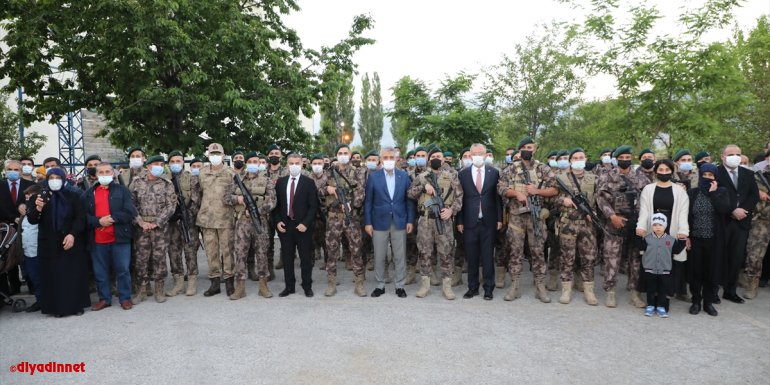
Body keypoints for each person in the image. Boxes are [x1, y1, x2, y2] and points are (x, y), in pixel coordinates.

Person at [497, 137, 558, 303]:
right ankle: (515, 286)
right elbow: (501, 188)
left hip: (536, 217)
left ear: (535, 149)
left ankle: (540, 286)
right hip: (517, 217)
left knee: (538, 252)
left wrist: (537, 191)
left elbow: (554, 189)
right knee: (515, 253)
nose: (527, 149)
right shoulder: (510, 169)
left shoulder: (542, 168)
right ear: (519, 150)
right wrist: (516, 193)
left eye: (529, 147)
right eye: (523, 147)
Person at [27, 168, 90, 317]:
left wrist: (72, 234)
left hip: (70, 241)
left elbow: (80, 218)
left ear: (63, 179)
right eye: (51, 177)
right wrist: (38, 207)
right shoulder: (38, 197)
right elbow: (32, 219)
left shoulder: (73, 196)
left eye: (57, 177)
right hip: (48, 243)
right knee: (53, 276)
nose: (54, 180)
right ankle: (55, 308)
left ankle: (76, 306)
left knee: (72, 275)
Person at [596, 145, 648, 308]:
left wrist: (642, 220)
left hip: (635, 223)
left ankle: (634, 292)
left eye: (628, 157)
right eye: (622, 158)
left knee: (635, 259)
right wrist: (612, 216)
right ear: (616, 159)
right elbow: (601, 199)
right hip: (615, 222)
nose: (625, 160)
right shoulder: (607, 176)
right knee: (612, 257)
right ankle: (610, 291)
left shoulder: (641, 177)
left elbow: (647, 198)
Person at [407, 147, 461, 300]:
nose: (437, 158)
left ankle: (447, 286)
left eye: (439, 156)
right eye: (434, 156)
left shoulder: (452, 176)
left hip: (444, 220)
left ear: (444, 159)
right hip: (425, 220)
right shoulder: (422, 176)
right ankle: (425, 285)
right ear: (429, 160)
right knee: (425, 252)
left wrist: (451, 211)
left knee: (446, 252)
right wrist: (423, 187)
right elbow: (410, 193)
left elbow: (460, 198)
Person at [84, 163, 138, 311]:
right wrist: (98, 221)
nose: (104, 174)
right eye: (101, 172)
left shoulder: (122, 191)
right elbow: (83, 217)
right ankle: (104, 299)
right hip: (97, 240)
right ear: (96, 175)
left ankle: (125, 298)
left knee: (123, 270)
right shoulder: (88, 193)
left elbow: (130, 212)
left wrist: (112, 218)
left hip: (120, 238)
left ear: (113, 174)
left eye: (107, 171)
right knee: (100, 271)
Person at [635, 159, 690, 304]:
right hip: (653, 230)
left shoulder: (680, 191)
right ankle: (651, 297)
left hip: (672, 230)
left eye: (667, 170)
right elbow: (644, 211)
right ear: (656, 171)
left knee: (669, 265)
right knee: (652, 263)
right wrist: (640, 227)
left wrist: (684, 231)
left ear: (672, 171)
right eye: (661, 170)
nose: (664, 173)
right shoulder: (648, 189)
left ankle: (665, 297)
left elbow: (683, 213)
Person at [224, 151, 276, 299]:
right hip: (242, 223)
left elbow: (272, 201)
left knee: (262, 253)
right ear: (246, 163)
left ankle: (263, 286)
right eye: (251, 161)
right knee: (240, 254)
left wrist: (257, 211)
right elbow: (226, 197)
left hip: (260, 221)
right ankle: (240, 288)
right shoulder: (237, 179)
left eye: (256, 161)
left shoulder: (266, 180)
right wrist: (238, 199)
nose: (254, 163)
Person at [364, 147, 414, 298]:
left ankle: (400, 285)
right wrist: (368, 222)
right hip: (378, 221)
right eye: (385, 157)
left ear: (397, 159)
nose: (389, 160)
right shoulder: (374, 177)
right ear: (381, 159)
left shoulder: (404, 176)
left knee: (399, 255)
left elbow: (409, 201)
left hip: (399, 220)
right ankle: (380, 285)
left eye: (392, 157)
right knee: (379, 255)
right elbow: (368, 202)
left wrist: (410, 220)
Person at [553, 148, 600, 305]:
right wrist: (562, 200)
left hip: (587, 225)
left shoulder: (594, 178)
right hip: (568, 224)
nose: (579, 160)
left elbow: (600, 200)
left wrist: (593, 212)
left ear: (586, 159)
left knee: (588, 258)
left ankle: (589, 290)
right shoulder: (560, 177)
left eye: (581, 157)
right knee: (567, 258)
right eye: (576, 157)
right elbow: (550, 198)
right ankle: (566, 289)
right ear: (571, 160)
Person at [321, 144, 367, 297]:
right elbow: (319, 190)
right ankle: (331, 283)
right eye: (340, 153)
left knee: (356, 250)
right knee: (332, 251)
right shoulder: (328, 173)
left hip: (351, 217)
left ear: (350, 155)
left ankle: (359, 283)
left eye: (345, 153)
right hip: (334, 218)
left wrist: (351, 204)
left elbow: (361, 192)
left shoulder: (358, 172)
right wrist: (327, 189)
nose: (342, 155)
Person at [130, 155, 177, 304]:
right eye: (156, 163)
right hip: (141, 227)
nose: (159, 166)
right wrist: (141, 222)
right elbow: (131, 204)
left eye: (161, 164)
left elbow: (171, 206)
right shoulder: (137, 182)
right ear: (148, 166)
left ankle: (159, 289)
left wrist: (157, 222)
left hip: (159, 228)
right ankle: (142, 289)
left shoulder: (167, 183)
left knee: (160, 258)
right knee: (141, 259)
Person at [715, 144, 759, 304]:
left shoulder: (748, 173)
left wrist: (743, 210)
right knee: (718, 256)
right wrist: (732, 209)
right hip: (723, 220)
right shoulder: (716, 173)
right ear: (722, 156)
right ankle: (713, 290)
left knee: (736, 258)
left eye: (738, 154)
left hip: (742, 222)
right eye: (731, 154)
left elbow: (754, 195)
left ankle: (730, 290)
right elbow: (714, 195)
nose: (735, 157)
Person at [458, 143, 502, 300]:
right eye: (474, 153)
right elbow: (460, 200)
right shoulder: (462, 174)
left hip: (489, 221)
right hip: (470, 221)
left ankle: (489, 288)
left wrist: (499, 218)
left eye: (480, 153)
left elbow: (498, 198)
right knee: (472, 256)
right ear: (470, 155)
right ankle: (472, 287)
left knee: (488, 256)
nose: (477, 156)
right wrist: (460, 221)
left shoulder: (494, 173)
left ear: (485, 155)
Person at [686, 163, 729, 316]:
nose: (707, 178)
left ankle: (708, 302)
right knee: (695, 272)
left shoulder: (722, 192)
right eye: (705, 175)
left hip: (714, 240)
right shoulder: (692, 193)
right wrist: (687, 236)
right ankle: (696, 301)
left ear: (715, 177)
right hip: (696, 239)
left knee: (712, 272)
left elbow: (725, 209)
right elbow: (687, 216)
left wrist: (713, 193)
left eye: (711, 175)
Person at [194, 143, 237, 296]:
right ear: (208, 155)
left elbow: (236, 195)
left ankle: (230, 281)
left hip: (225, 219)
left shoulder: (231, 173)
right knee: (211, 252)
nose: (215, 156)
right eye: (213, 153)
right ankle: (215, 283)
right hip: (207, 220)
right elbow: (197, 195)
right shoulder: (202, 173)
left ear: (224, 155)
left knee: (227, 252)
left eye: (218, 153)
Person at [273, 153, 318, 297]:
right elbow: (276, 205)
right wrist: (277, 221)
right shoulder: (280, 182)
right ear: (287, 164)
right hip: (286, 227)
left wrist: (305, 223)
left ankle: (307, 286)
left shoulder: (309, 182)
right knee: (287, 258)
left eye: (297, 163)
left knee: (305, 258)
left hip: (303, 227)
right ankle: (289, 286)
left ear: (301, 164)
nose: (294, 166)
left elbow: (313, 206)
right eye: (291, 163)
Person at [166, 151, 202, 297]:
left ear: (183, 162)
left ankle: (192, 282)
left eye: (178, 161)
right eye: (172, 161)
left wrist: (186, 215)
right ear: (169, 164)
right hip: (171, 222)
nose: (175, 163)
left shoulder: (191, 178)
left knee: (190, 251)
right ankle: (178, 283)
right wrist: (172, 216)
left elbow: (196, 200)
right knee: (173, 252)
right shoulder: (165, 180)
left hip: (188, 221)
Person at [638, 213, 686, 317]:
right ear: (652, 226)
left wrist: (682, 240)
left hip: (665, 270)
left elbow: (677, 251)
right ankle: (650, 305)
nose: (658, 227)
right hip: (650, 269)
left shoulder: (671, 240)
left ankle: (661, 306)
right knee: (651, 288)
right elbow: (640, 247)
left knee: (662, 289)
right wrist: (639, 236)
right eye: (655, 225)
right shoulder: (647, 239)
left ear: (665, 226)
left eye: (660, 225)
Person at [0, 160, 34, 297]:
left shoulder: (30, 185)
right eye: (10, 169)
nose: (13, 172)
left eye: (16, 169)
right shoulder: (1, 185)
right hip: (5, 226)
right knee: (7, 256)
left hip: (27, 226)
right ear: (5, 170)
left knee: (27, 255)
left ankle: (32, 284)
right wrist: (13, 218)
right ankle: (13, 287)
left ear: (20, 171)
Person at [744, 153, 770, 299]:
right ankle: (751, 284)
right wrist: (757, 192)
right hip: (761, 220)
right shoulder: (756, 176)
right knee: (754, 254)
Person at [19, 184, 42, 312]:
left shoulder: (41, 212)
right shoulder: (25, 215)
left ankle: (45, 300)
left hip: (39, 251)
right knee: (34, 278)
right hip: (28, 252)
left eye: (31, 197)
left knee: (41, 278)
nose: (28, 200)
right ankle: (39, 300)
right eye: (26, 198)